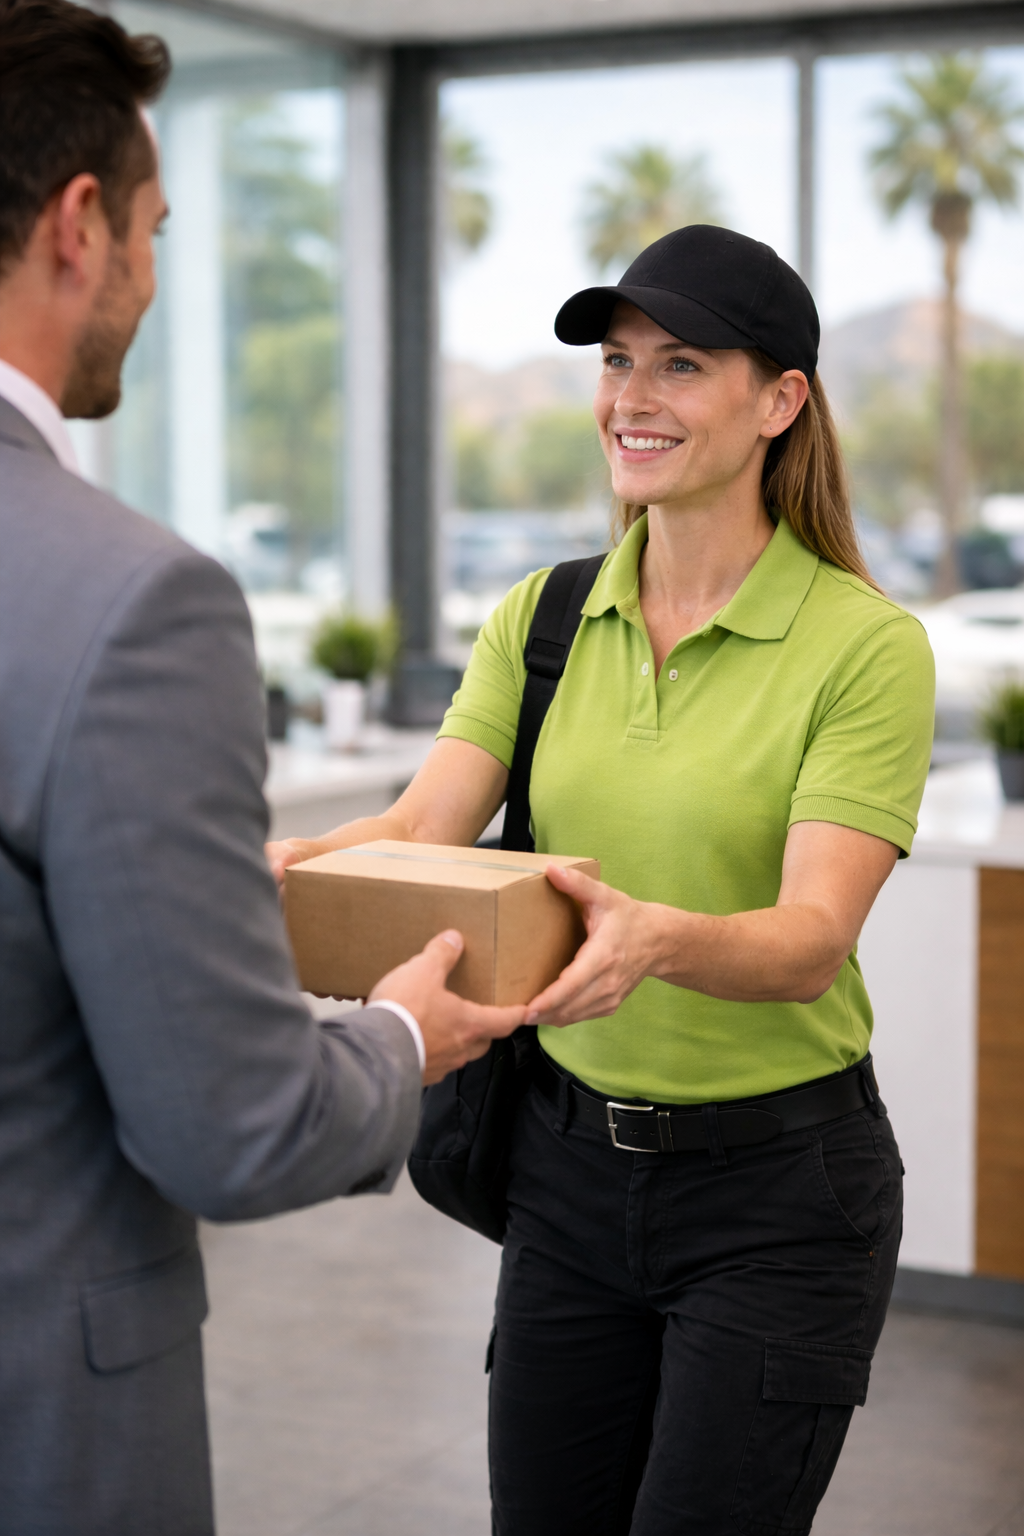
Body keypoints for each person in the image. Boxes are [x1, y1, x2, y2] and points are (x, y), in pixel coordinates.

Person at [270, 223, 935, 1535]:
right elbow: (424, 821)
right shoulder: (547, 616)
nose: (631, 399)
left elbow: (810, 938)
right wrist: (266, 870)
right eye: (618, 362)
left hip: (778, 1196)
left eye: (681, 364)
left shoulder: (867, 648)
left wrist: (656, 940)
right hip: (566, 1178)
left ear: (780, 402)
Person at [0, 2, 525, 1531]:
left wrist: (202, 897)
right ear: (80, 226)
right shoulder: (130, 599)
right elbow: (230, 1124)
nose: (155, 281)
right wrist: (406, 1043)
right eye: (158, 228)